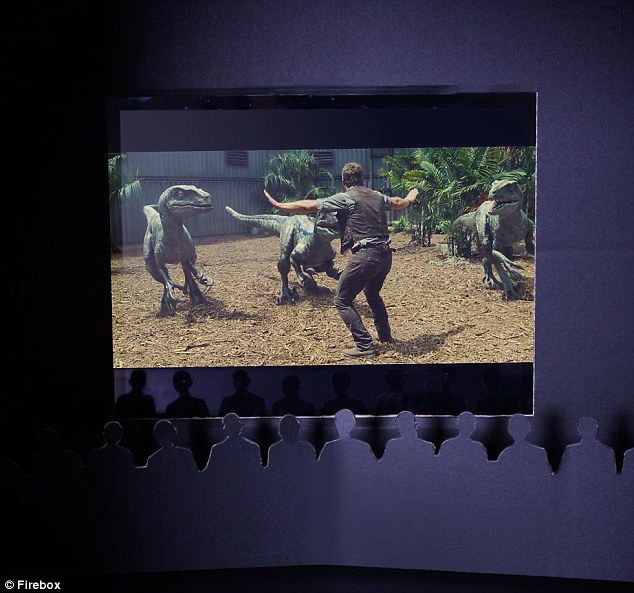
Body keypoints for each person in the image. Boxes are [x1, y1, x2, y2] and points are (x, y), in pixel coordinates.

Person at [265, 161, 418, 359]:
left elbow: (309, 205)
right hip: (385, 256)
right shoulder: (376, 195)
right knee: (372, 293)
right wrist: (410, 198)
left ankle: (364, 345)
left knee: (341, 300)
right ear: (362, 179)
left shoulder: (346, 198)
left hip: (366, 256)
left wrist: (279, 205)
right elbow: (398, 202)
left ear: (344, 182)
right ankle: (385, 335)